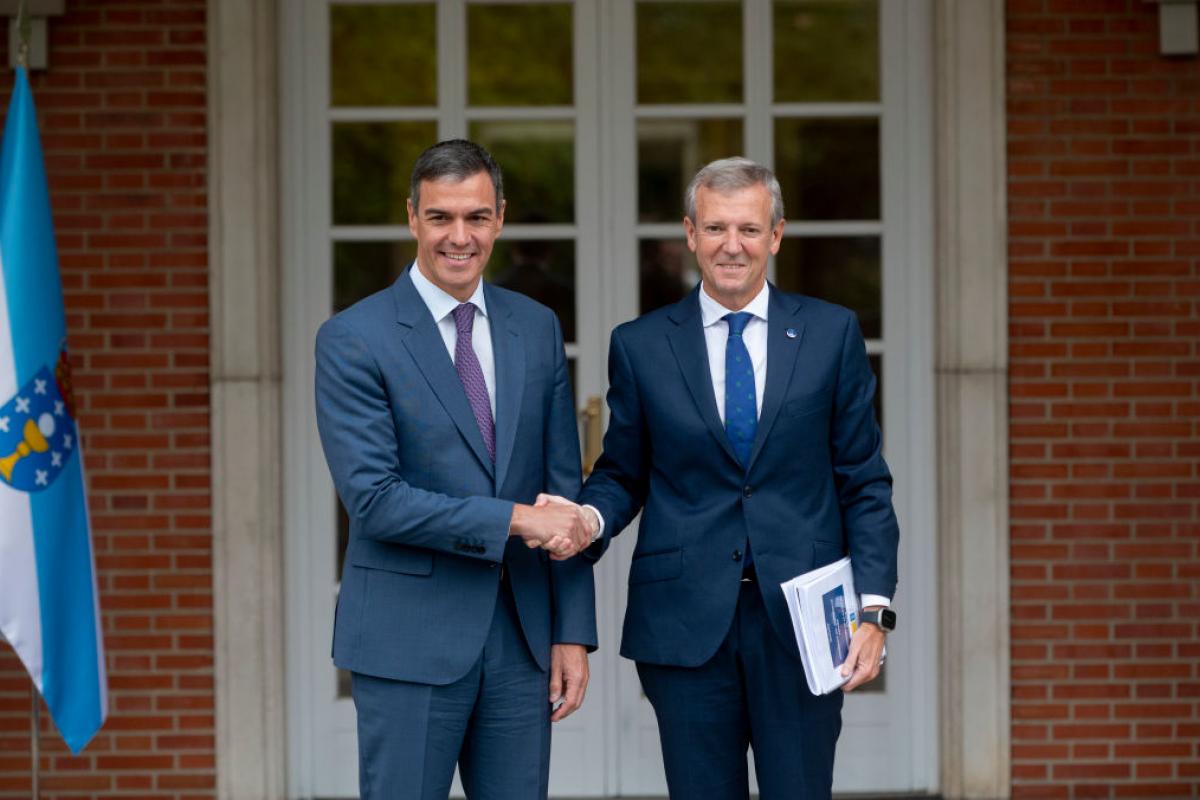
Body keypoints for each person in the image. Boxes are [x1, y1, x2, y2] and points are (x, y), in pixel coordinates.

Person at [551, 157, 900, 799]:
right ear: (691, 233)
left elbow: (863, 481)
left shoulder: (830, 334)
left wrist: (874, 609)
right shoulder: (641, 345)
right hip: (684, 623)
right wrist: (587, 520)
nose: (731, 246)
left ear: (776, 235)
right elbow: (623, 471)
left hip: (801, 624)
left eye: (748, 229)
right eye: (715, 228)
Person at [315, 139, 598, 800]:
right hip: (407, 639)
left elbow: (563, 490)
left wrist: (572, 632)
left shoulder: (536, 327)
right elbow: (376, 500)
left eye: (476, 217)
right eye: (441, 217)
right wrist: (516, 519)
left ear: (500, 219)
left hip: (522, 640)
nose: (459, 237)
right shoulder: (354, 338)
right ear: (412, 218)